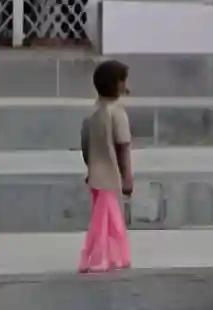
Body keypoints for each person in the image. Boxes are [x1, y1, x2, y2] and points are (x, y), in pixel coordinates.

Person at [78, 59, 134, 273]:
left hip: (95, 175)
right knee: (110, 219)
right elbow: (123, 147)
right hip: (111, 175)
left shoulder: (92, 114)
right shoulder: (117, 113)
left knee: (102, 217)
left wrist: (90, 168)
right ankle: (107, 256)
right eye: (123, 81)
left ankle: (104, 255)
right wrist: (127, 176)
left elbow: (85, 145)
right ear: (116, 84)